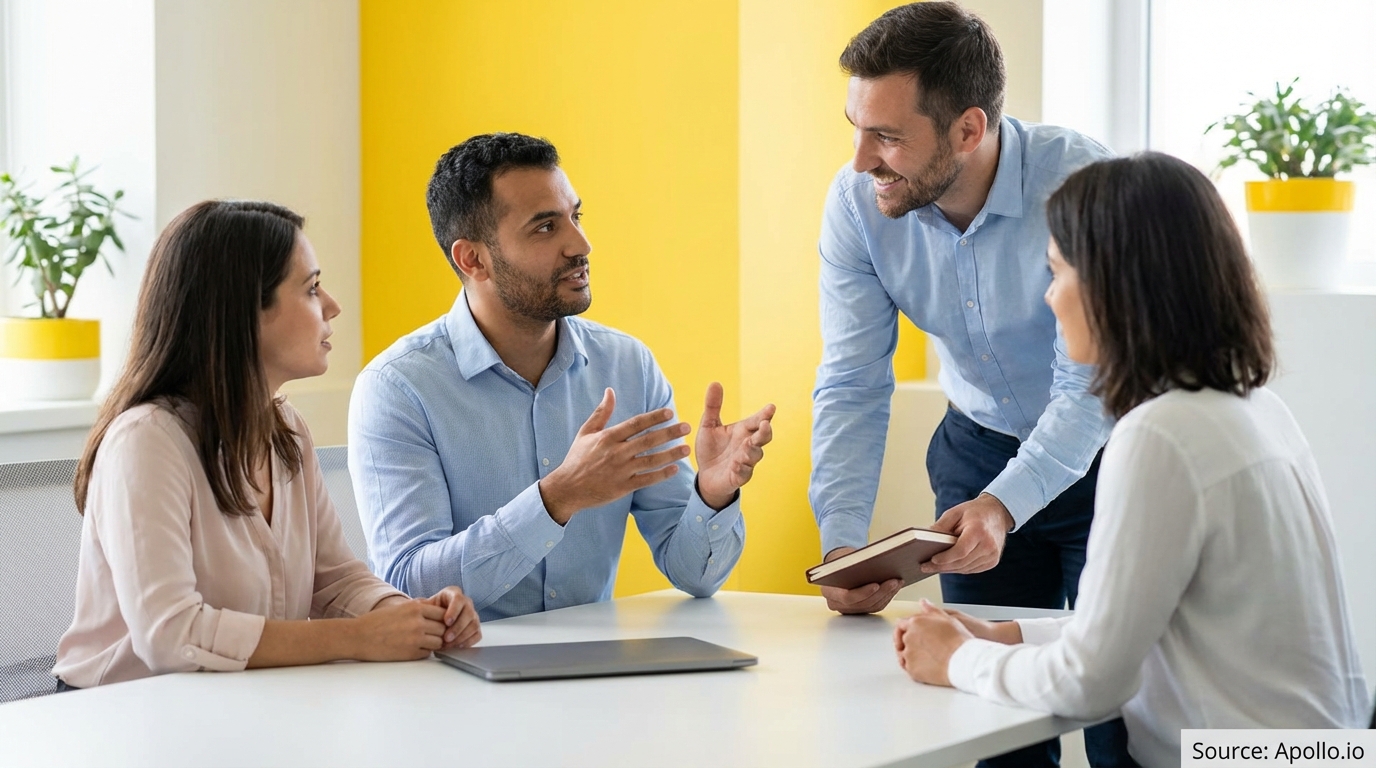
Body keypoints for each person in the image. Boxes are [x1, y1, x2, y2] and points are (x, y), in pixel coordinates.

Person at [895, 152, 1371, 766]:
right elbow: (1153, 623)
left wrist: (957, 658)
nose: (1048, 298)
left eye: (1058, 272)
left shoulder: (1160, 436)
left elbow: (1092, 682)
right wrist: (1008, 634)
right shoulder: (1252, 409)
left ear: (1118, 287)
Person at [811, 4, 1125, 764]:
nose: (860, 160)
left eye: (886, 136)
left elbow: (1085, 388)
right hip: (974, 452)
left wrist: (1006, 506)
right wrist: (844, 543)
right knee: (990, 718)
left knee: (1122, 708)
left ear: (968, 130)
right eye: (855, 126)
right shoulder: (858, 204)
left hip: (1111, 457)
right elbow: (852, 380)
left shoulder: (1081, 183)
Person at [52, 201, 481, 690]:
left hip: (237, 705)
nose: (332, 306)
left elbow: (336, 578)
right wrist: (357, 638)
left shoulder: (286, 429)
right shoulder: (146, 440)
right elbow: (169, 635)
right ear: (243, 313)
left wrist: (412, 618)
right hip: (119, 718)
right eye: (312, 288)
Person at [349, 133, 774, 621]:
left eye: (575, 216)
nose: (581, 244)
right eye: (546, 227)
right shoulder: (398, 389)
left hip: (591, 678)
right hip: (457, 681)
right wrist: (558, 498)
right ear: (473, 259)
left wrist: (712, 495)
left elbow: (696, 575)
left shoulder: (627, 367)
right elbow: (408, 585)